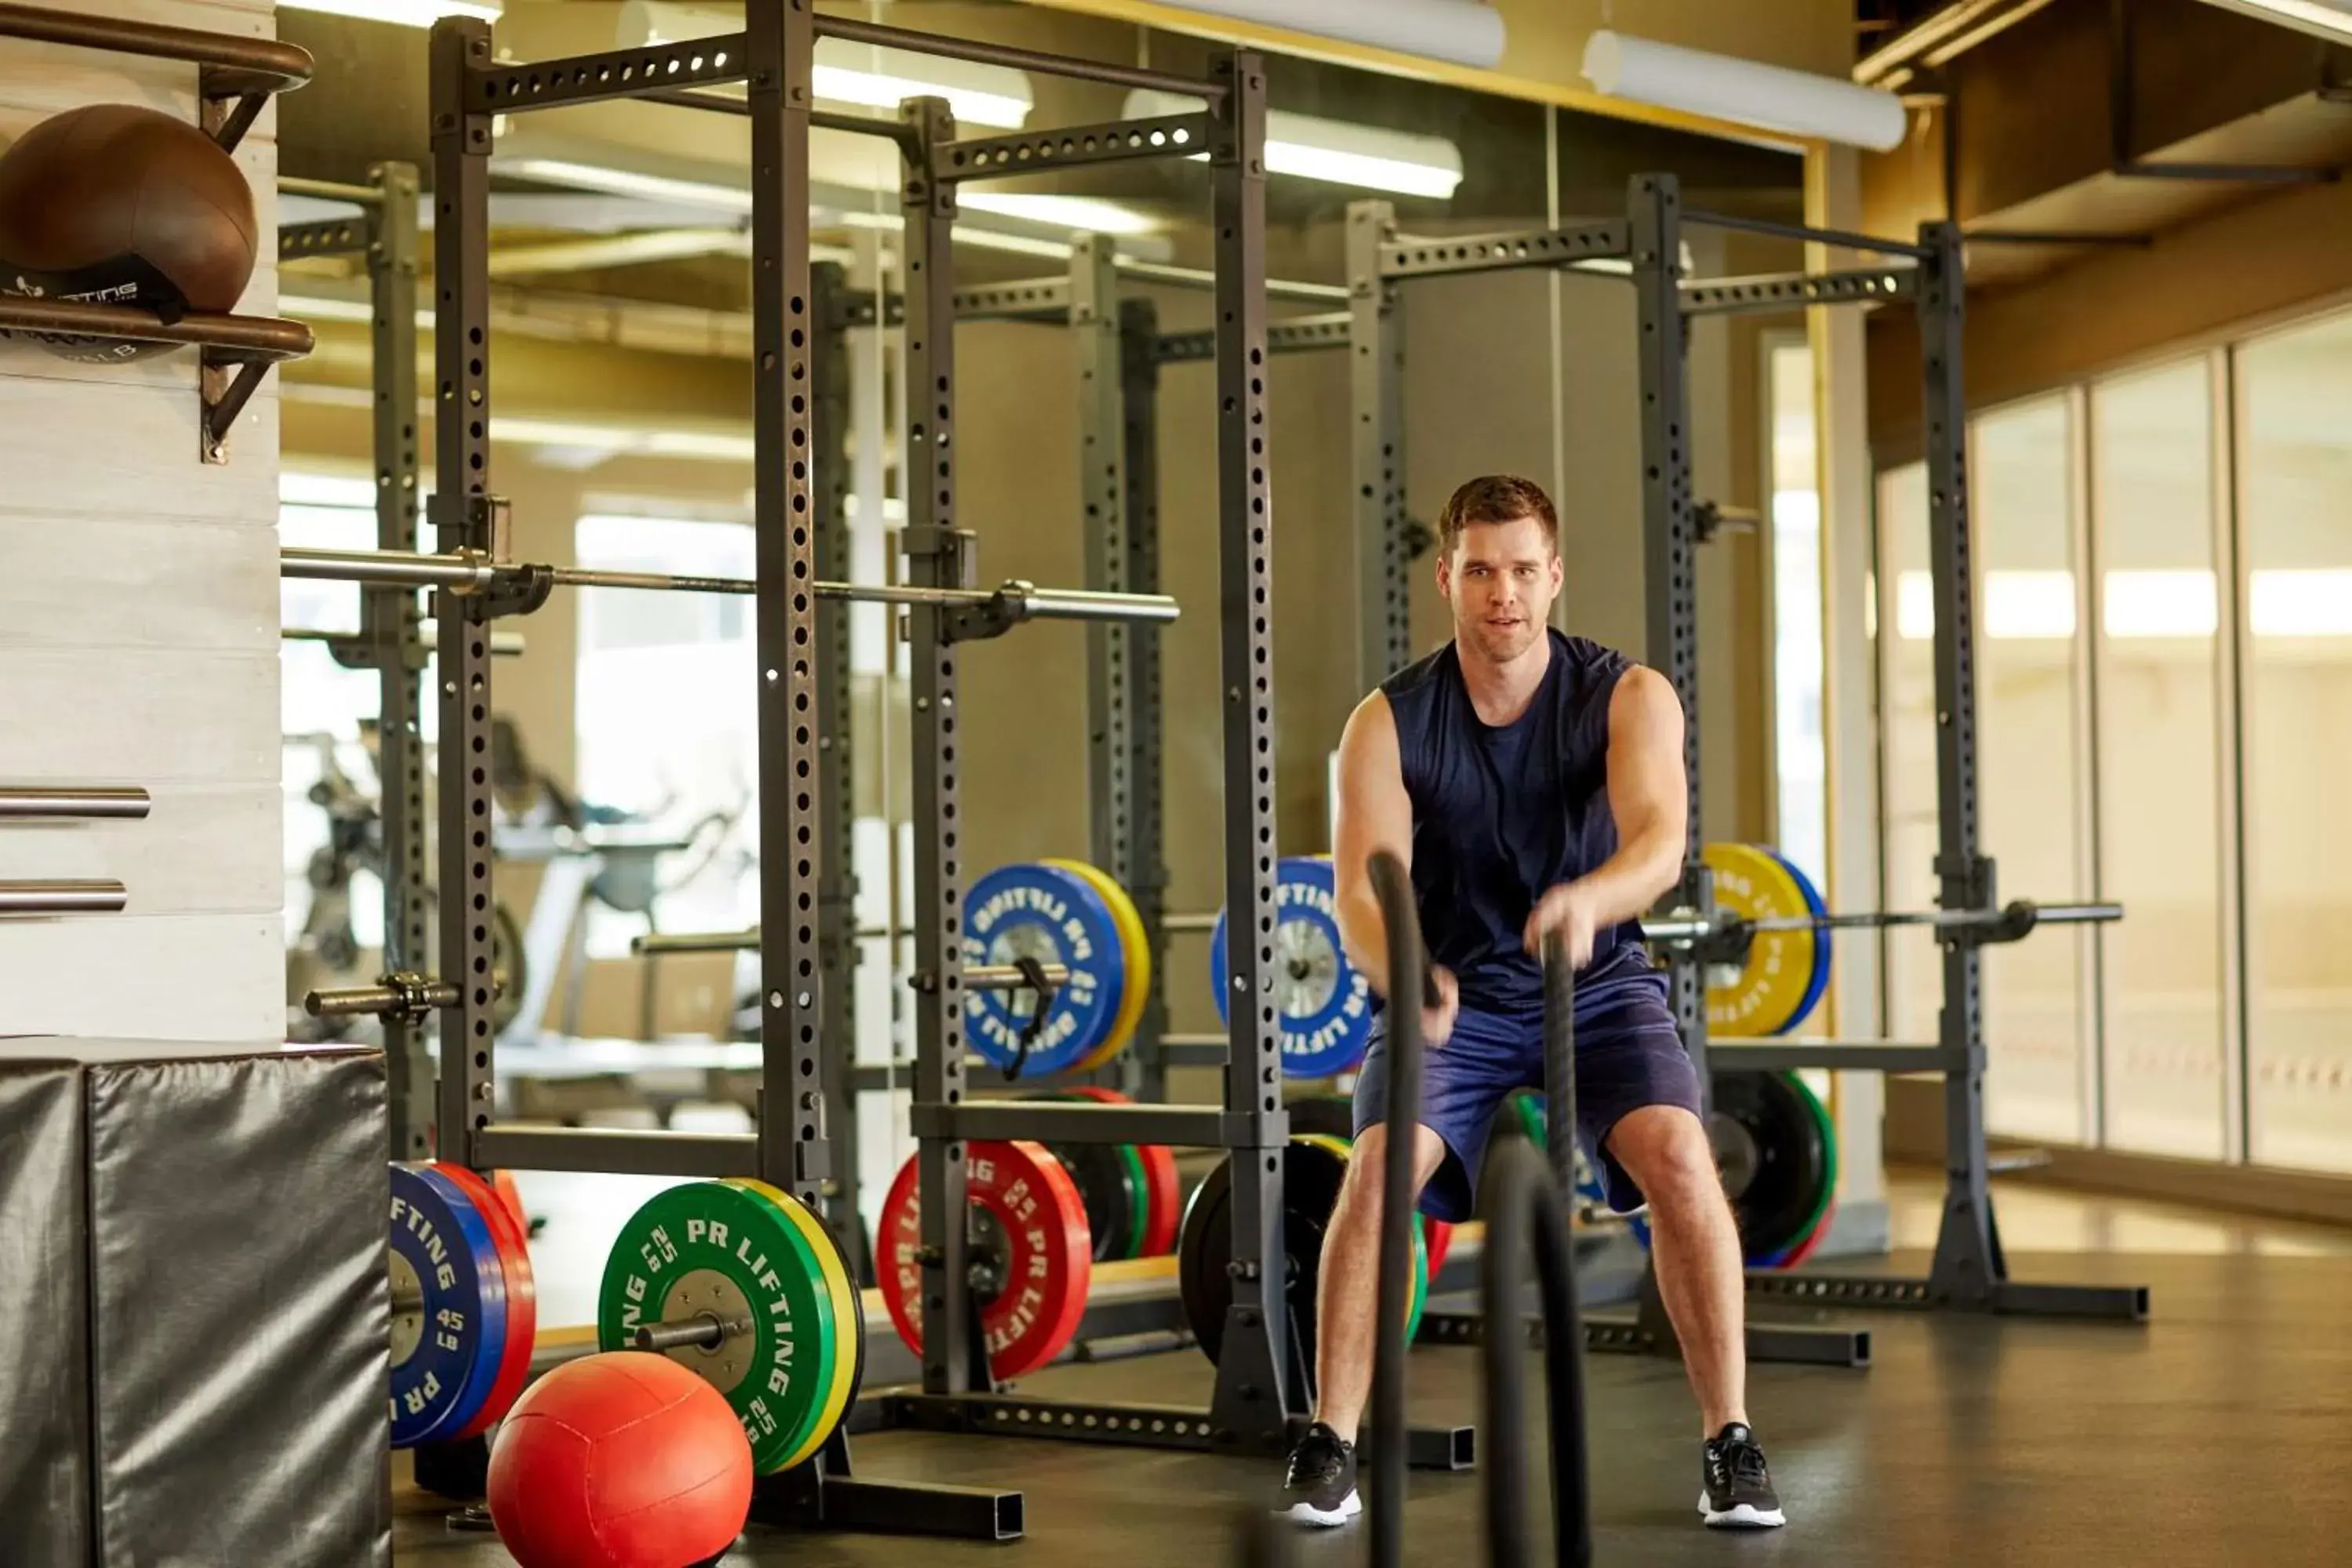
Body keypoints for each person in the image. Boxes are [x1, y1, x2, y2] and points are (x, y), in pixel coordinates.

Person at [1276, 474, 1784, 1532]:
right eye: (1479, 571)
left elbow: (1658, 842)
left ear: (1554, 577)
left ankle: (1730, 1439)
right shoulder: (1387, 721)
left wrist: (1593, 898)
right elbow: (1362, 891)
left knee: (1685, 1158)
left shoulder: (1627, 695)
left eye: (1520, 570)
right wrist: (1401, 968)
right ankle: (1330, 1440)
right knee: (1374, 1175)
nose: (1500, 593)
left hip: (1596, 987)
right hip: (1454, 1001)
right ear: (1446, 579)